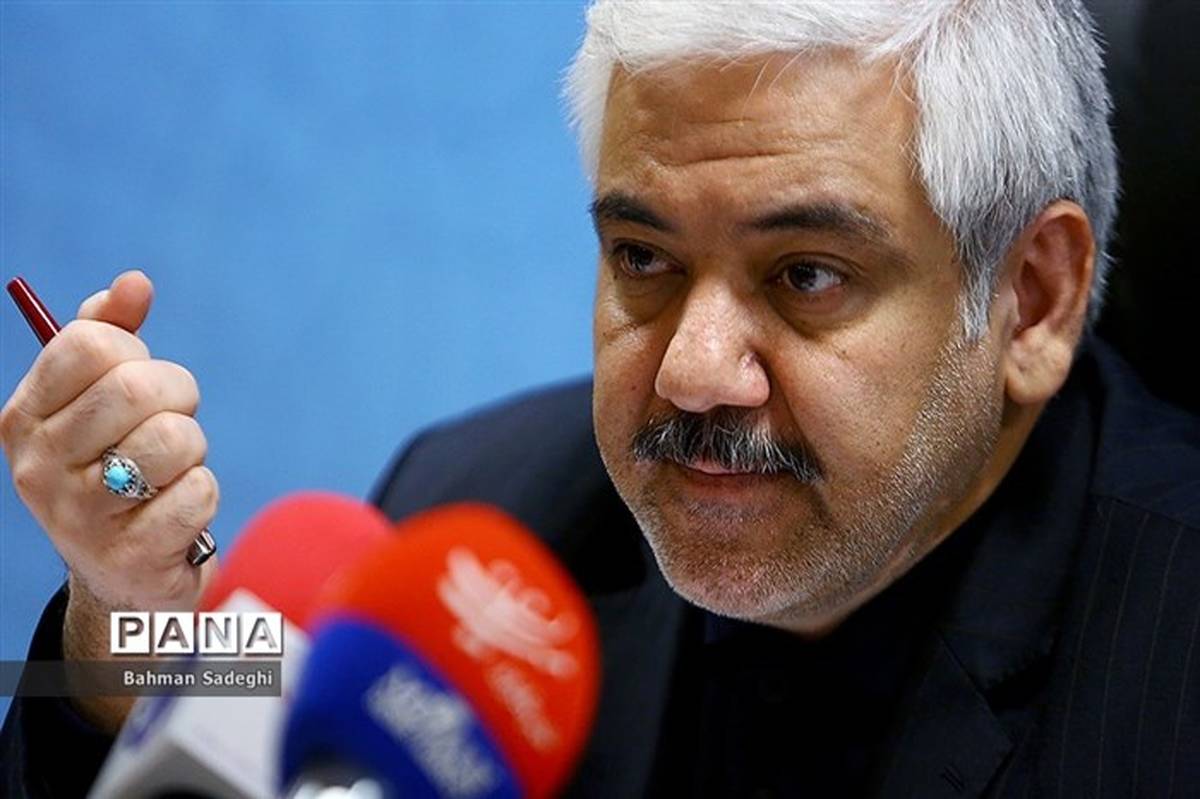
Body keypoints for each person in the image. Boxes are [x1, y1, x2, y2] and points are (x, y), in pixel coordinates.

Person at [3, 1, 1198, 796]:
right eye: (644, 257)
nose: (690, 371)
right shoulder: (470, 515)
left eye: (805, 275)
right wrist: (119, 621)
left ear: (1031, 302)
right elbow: (189, 708)